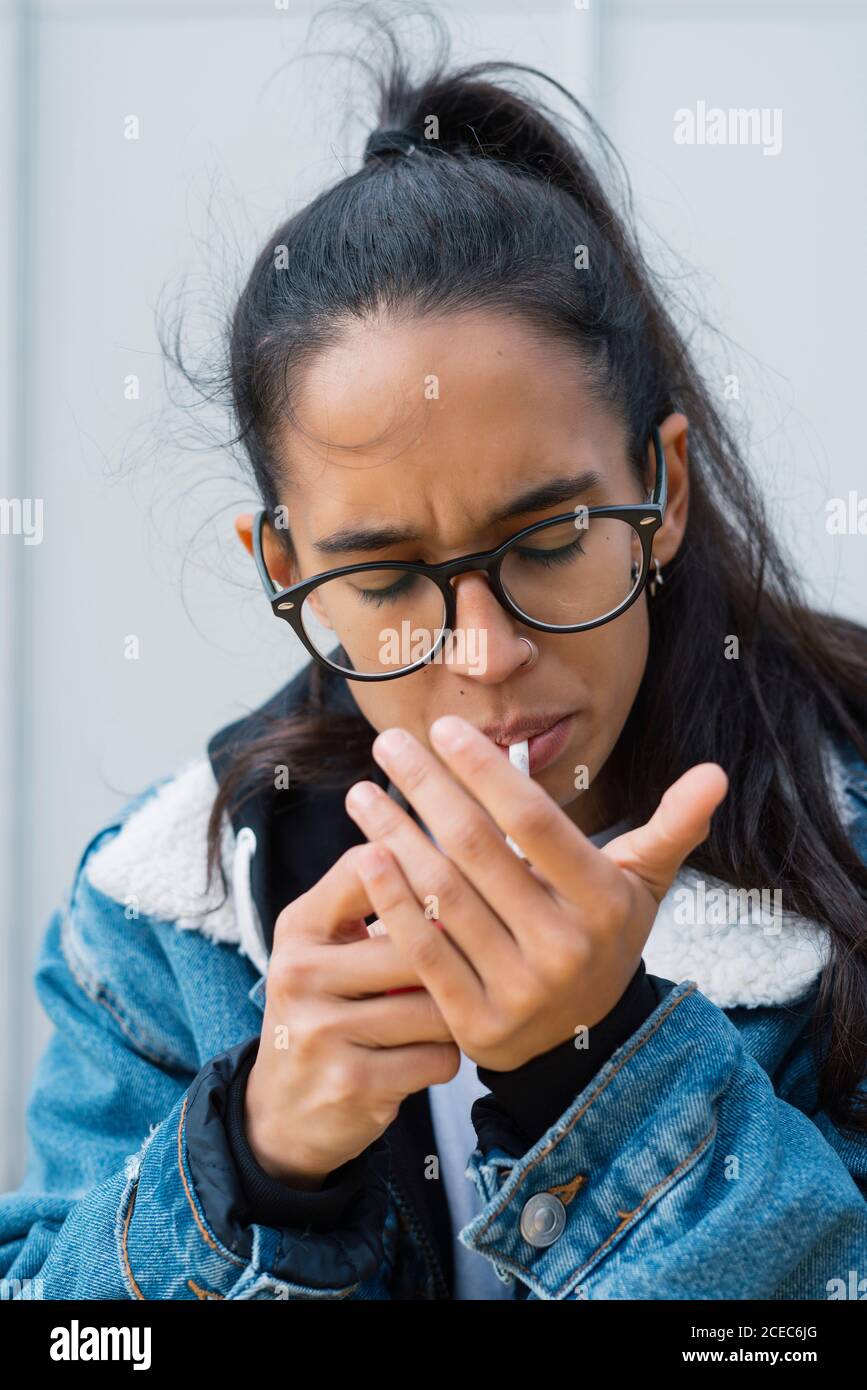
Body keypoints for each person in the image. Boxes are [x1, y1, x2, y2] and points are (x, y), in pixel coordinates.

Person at [2, 13, 866, 1301]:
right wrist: (253, 1164)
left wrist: (602, 1071)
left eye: (554, 535)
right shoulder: (165, 919)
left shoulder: (846, 841)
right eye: (386, 572)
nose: (486, 653)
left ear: (663, 488)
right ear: (286, 571)